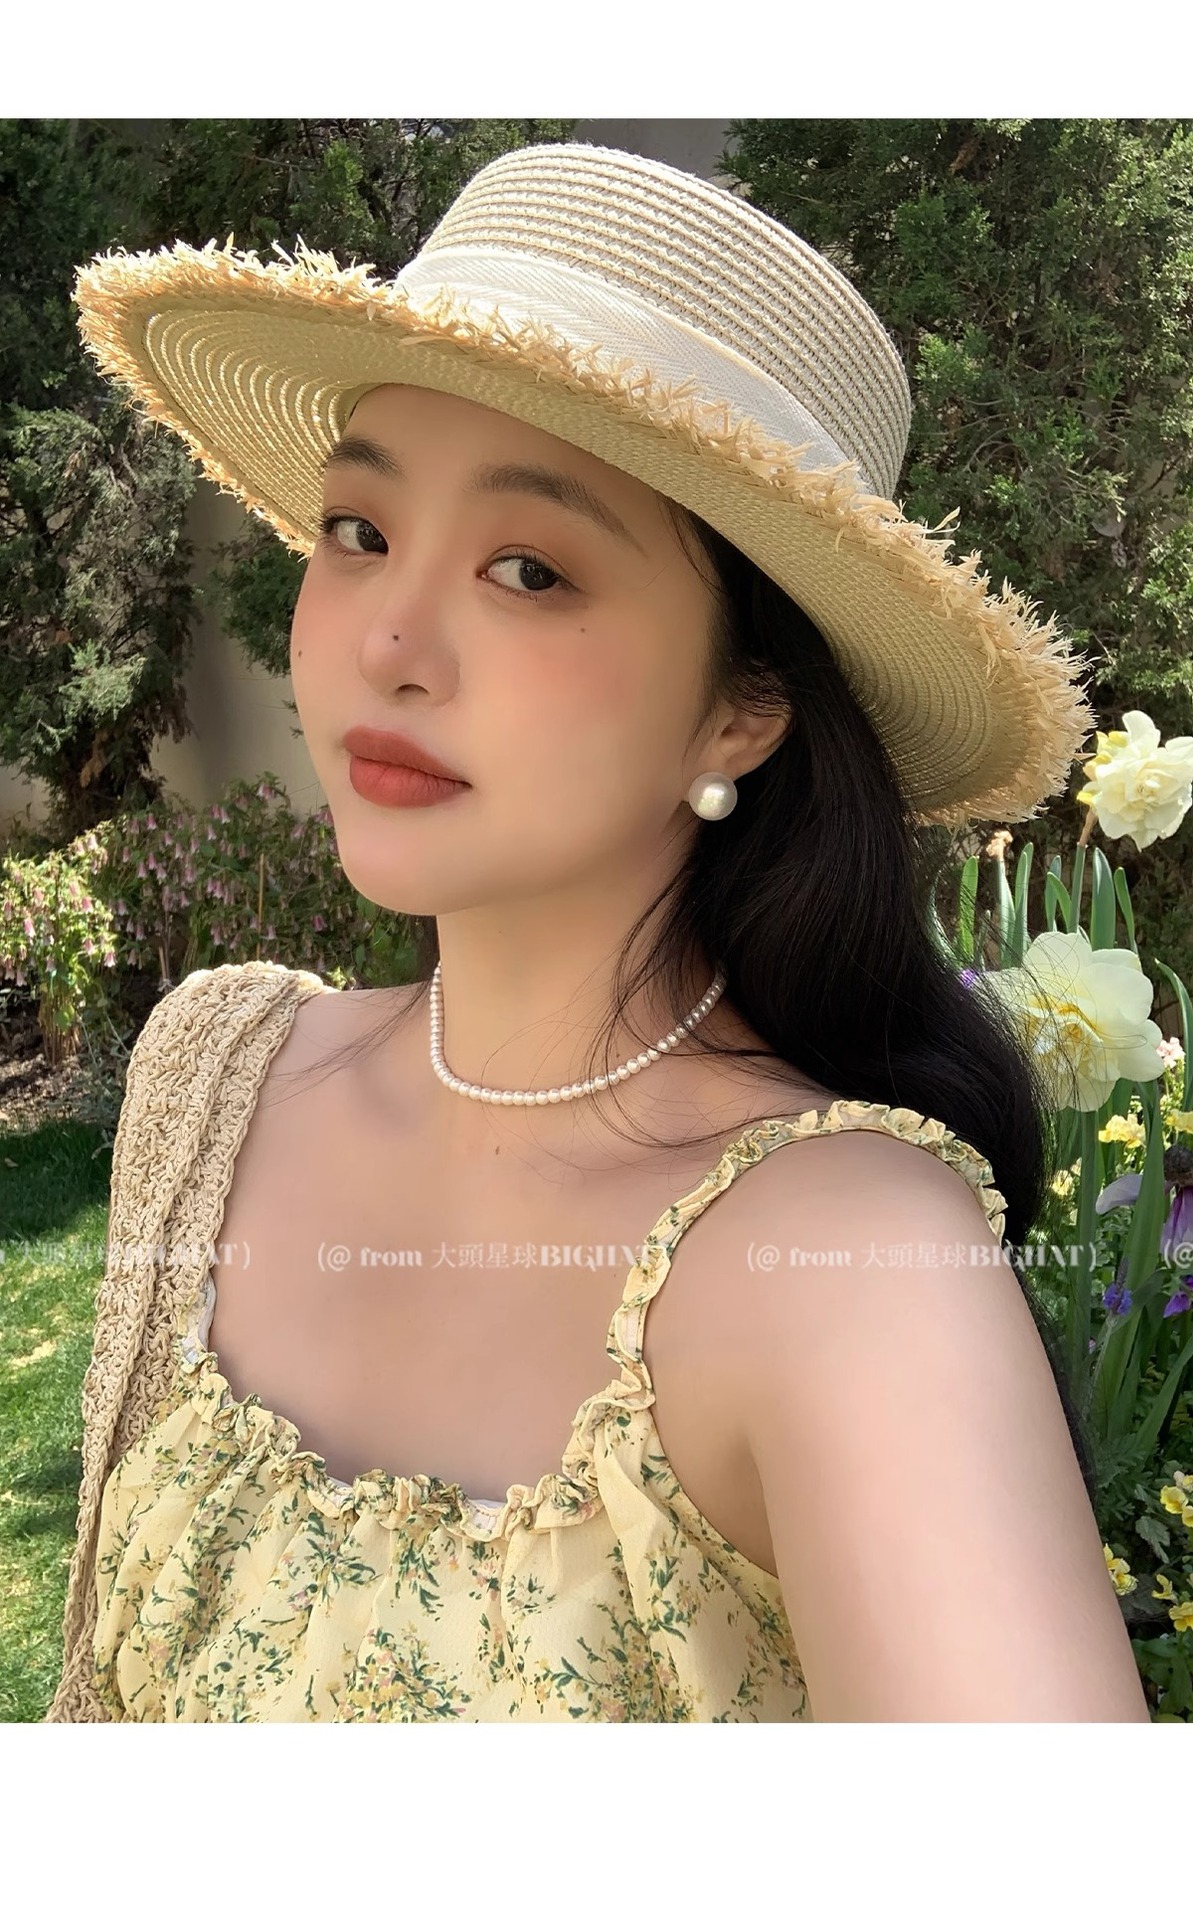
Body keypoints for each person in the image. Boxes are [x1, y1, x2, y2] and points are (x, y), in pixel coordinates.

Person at [47, 141, 1150, 1723]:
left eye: (528, 568)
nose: (389, 640)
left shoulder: (845, 1265)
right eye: (357, 529)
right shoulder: (213, 1072)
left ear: (740, 711)